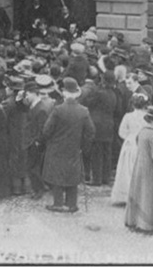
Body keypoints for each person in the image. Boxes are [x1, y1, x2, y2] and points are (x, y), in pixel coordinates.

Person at [41, 77, 95, 213]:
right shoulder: (84, 111)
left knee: (57, 173)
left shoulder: (58, 110)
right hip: (75, 147)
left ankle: (58, 203)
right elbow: (90, 131)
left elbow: (47, 130)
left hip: (57, 146)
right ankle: (72, 204)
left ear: (64, 93)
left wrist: (48, 140)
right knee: (72, 173)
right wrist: (84, 146)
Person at [125, 104, 153, 232]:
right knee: (149, 196)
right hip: (151, 170)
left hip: (139, 166)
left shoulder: (143, 131)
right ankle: (149, 224)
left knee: (139, 193)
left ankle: (134, 221)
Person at [110, 93, 148, 205]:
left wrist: (129, 137)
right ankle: (141, 195)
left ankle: (126, 195)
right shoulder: (148, 116)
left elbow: (121, 131)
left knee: (127, 169)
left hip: (130, 143)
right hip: (142, 141)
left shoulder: (128, 116)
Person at [82, 70, 117, 187]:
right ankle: (105, 178)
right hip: (109, 124)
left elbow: (87, 102)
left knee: (96, 153)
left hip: (98, 125)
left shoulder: (99, 93)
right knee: (107, 152)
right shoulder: (113, 94)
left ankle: (96, 179)